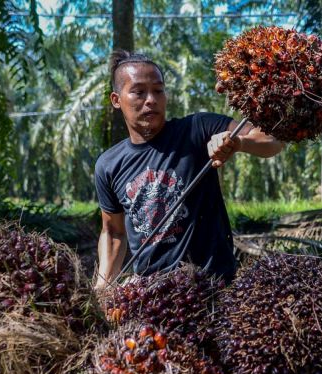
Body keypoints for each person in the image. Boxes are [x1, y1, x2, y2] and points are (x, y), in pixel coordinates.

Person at [94, 50, 284, 289]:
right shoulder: (108, 164)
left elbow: (272, 141)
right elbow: (113, 234)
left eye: (158, 90)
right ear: (116, 99)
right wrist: (102, 288)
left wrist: (238, 143)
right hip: (151, 298)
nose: (151, 99)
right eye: (139, 92)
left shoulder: (197, 130)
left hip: (214, 289)